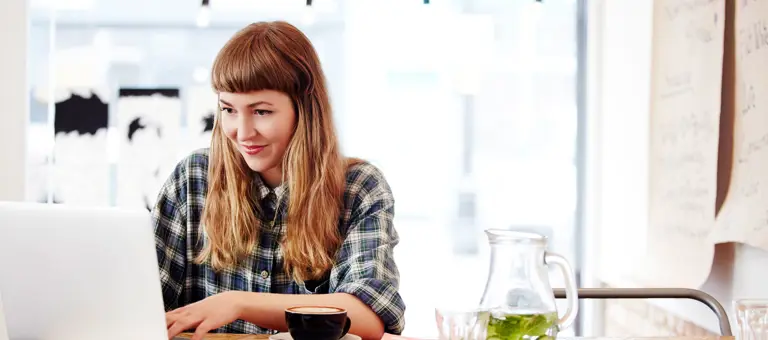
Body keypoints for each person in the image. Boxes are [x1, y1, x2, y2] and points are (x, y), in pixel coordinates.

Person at [152, 21, 405, 340]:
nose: (242, 133)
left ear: (304, 110)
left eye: (261, 112)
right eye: (229, 109)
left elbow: (367, 315)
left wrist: (238, 303)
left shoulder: (359, 187)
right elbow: (139, 303)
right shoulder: (192, 179)